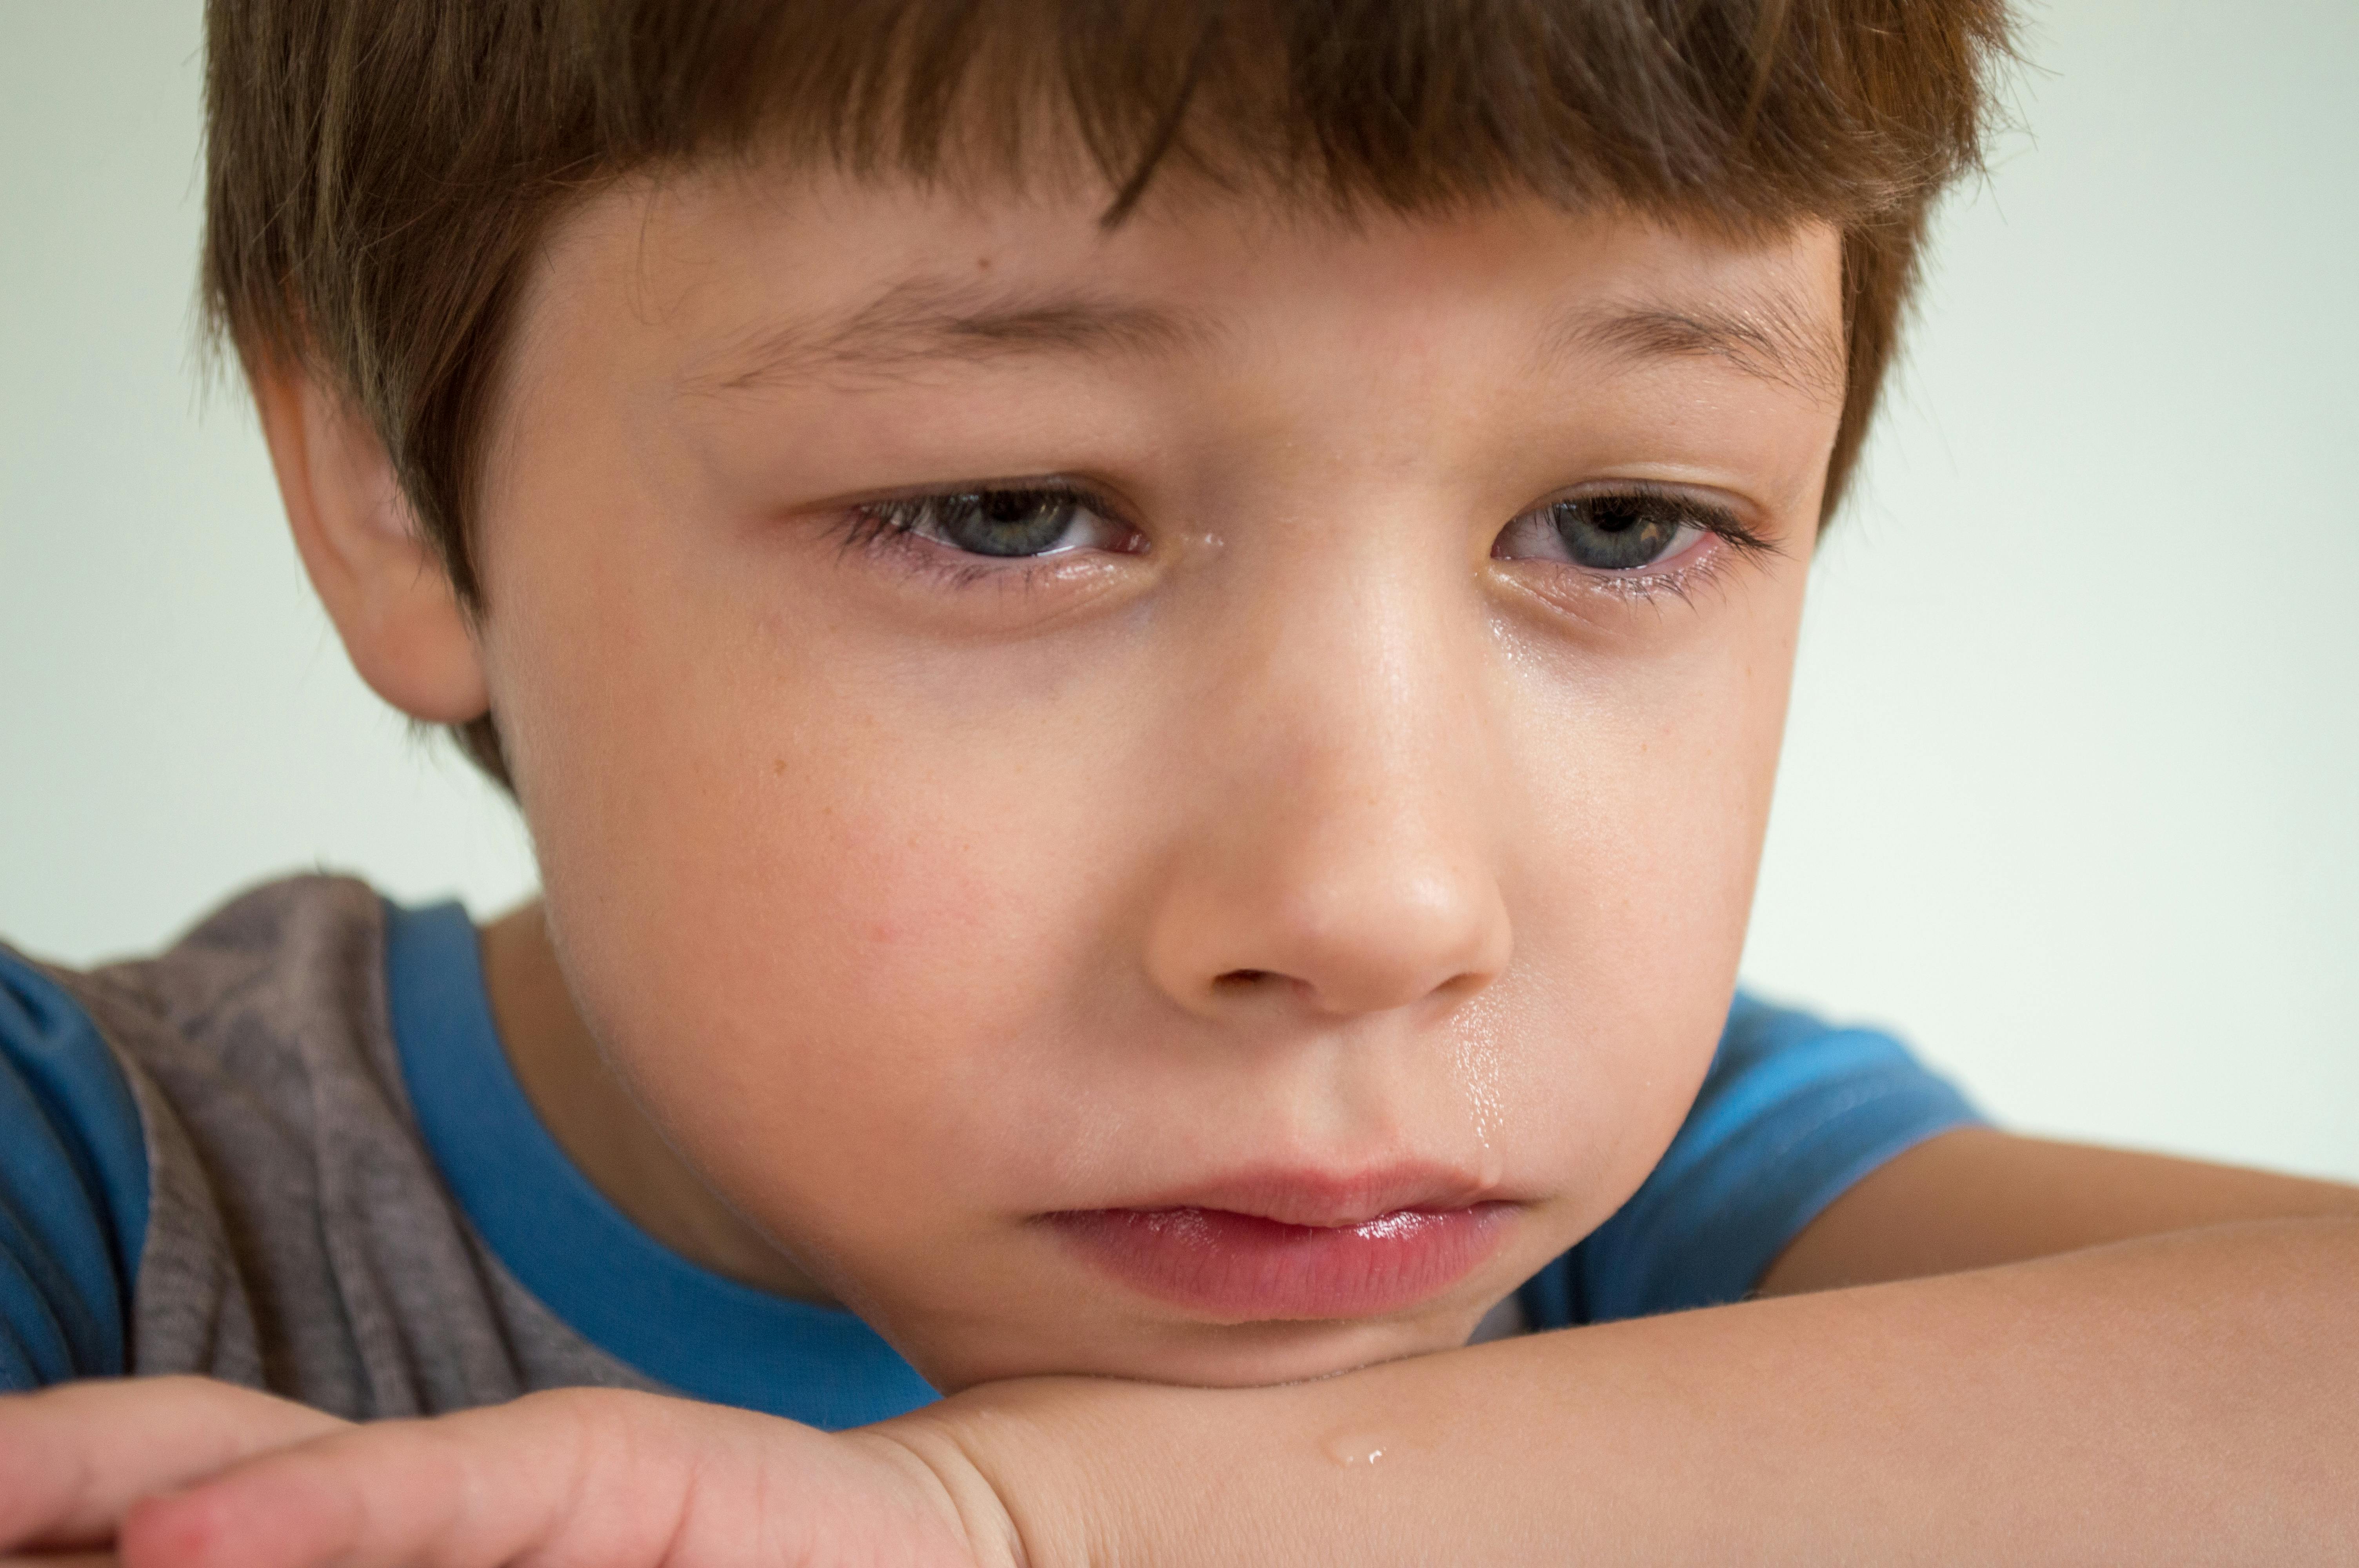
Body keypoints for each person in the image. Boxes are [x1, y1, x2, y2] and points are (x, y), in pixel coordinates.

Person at [2, 0, 2353, 1561]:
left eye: (1620, 524)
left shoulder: (1676, 1252)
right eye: (1012, 512)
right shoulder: (95, 1208)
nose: (1380, 903)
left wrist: (1036, 1526)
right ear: (391, 490)